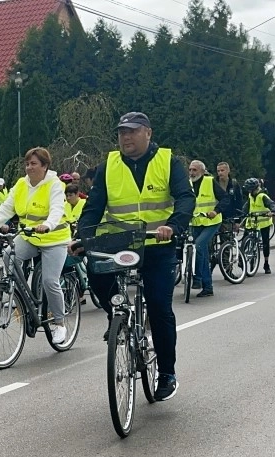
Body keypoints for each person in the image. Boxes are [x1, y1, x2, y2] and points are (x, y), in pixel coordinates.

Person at [74, 112, 195, 401]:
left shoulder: (168, 162)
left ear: (148, 133)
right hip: (121, 243)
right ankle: (116, 314)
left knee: (158, 306)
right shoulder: (109, 166)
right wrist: (84, 236)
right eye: (121, 132)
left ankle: (167, 373)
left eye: (132, 131)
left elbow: (185, 198)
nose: (125, 137)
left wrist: (174, 226)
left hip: (157, 244)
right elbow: (93, 206)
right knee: (95, 271)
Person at [0, 147, 70, 345]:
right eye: (27, 163)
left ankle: (60, 323)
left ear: (45, 166)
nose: (29, 167)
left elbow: (57, 209)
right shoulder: (21, 184)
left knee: (49, 281)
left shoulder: (54, 185)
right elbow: (6, 207)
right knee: (8, 255)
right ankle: (23, 299)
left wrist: (47, 225)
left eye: (34, 164)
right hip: (30, 236)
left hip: (54, 238)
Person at [188, 159, 227, 297]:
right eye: (190, 170)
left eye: (195, 170)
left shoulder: (210, 181)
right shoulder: (187, 184)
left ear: (202, 172)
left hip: (211, 222)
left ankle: (203, 282)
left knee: (199, 246)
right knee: (196, 251)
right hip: (195, 223)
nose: (192, 173)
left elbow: (225, 199)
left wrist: (215, 211)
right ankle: (202, 283)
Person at [241, 178, 275, 274]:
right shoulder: (250, 196)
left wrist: (272, 211)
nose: (249, 191)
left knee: (265, 243)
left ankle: (266, 263)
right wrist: (241, 214)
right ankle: (242, 259)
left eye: (250, 189)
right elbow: (246, 206)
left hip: (263, 223)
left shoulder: (262, 196)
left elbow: (271, 204)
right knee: (244, 240)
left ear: (255, 188)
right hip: (252, 222)